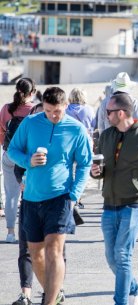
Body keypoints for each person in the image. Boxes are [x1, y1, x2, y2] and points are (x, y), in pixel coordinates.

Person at [8, 87, 92, 305]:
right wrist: (28, 161)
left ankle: (49, 301)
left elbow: (85, 164)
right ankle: (54, 294)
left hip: (60, 198)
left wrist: (74, 194)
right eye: (48, 111)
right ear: (42, 106)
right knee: (36, 254)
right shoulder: (30, 123)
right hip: (31, 199)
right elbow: (12, 151)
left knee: (54, 250)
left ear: (65, 106)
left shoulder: (76, 129)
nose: (53, 115)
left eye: (57, 111)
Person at [90, 92, 138, 305]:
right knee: (111, 258)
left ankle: (121, 301)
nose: (106, 115)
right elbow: (101, 168)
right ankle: (135, 288)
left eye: (109, 111)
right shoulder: (106, 136)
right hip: (109, 204)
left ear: (121, 112)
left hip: (134, 204)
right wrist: (96, 171)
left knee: (123, 255)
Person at [0, 78, 36, 243]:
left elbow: (1, 131)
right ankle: (27, 232)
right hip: (27, 158)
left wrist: (6, 146)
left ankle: (10, 233)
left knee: (11, 194)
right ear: (32, 92)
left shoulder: (7, 108)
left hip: (9, 155)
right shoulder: (34, 109)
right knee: (29, 193)